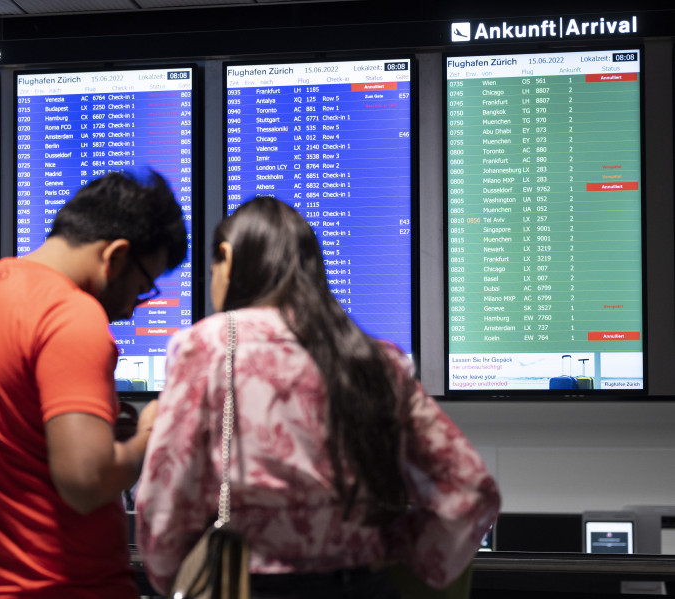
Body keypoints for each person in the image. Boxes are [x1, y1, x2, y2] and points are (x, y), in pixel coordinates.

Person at [135, 196, 500, 598]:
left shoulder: (206, 346)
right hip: (365, 585)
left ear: (226, 255)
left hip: (250, 585)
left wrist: (172, 576)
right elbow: (470, 489)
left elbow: (166, 499)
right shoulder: (376, 358)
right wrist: (402, 551)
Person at [0, 171, 187, 599]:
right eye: (142, 288)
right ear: (115, 256)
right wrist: (149, 437)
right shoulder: (72, 316)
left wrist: (23, 455)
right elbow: (84, 482)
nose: (133, 310)